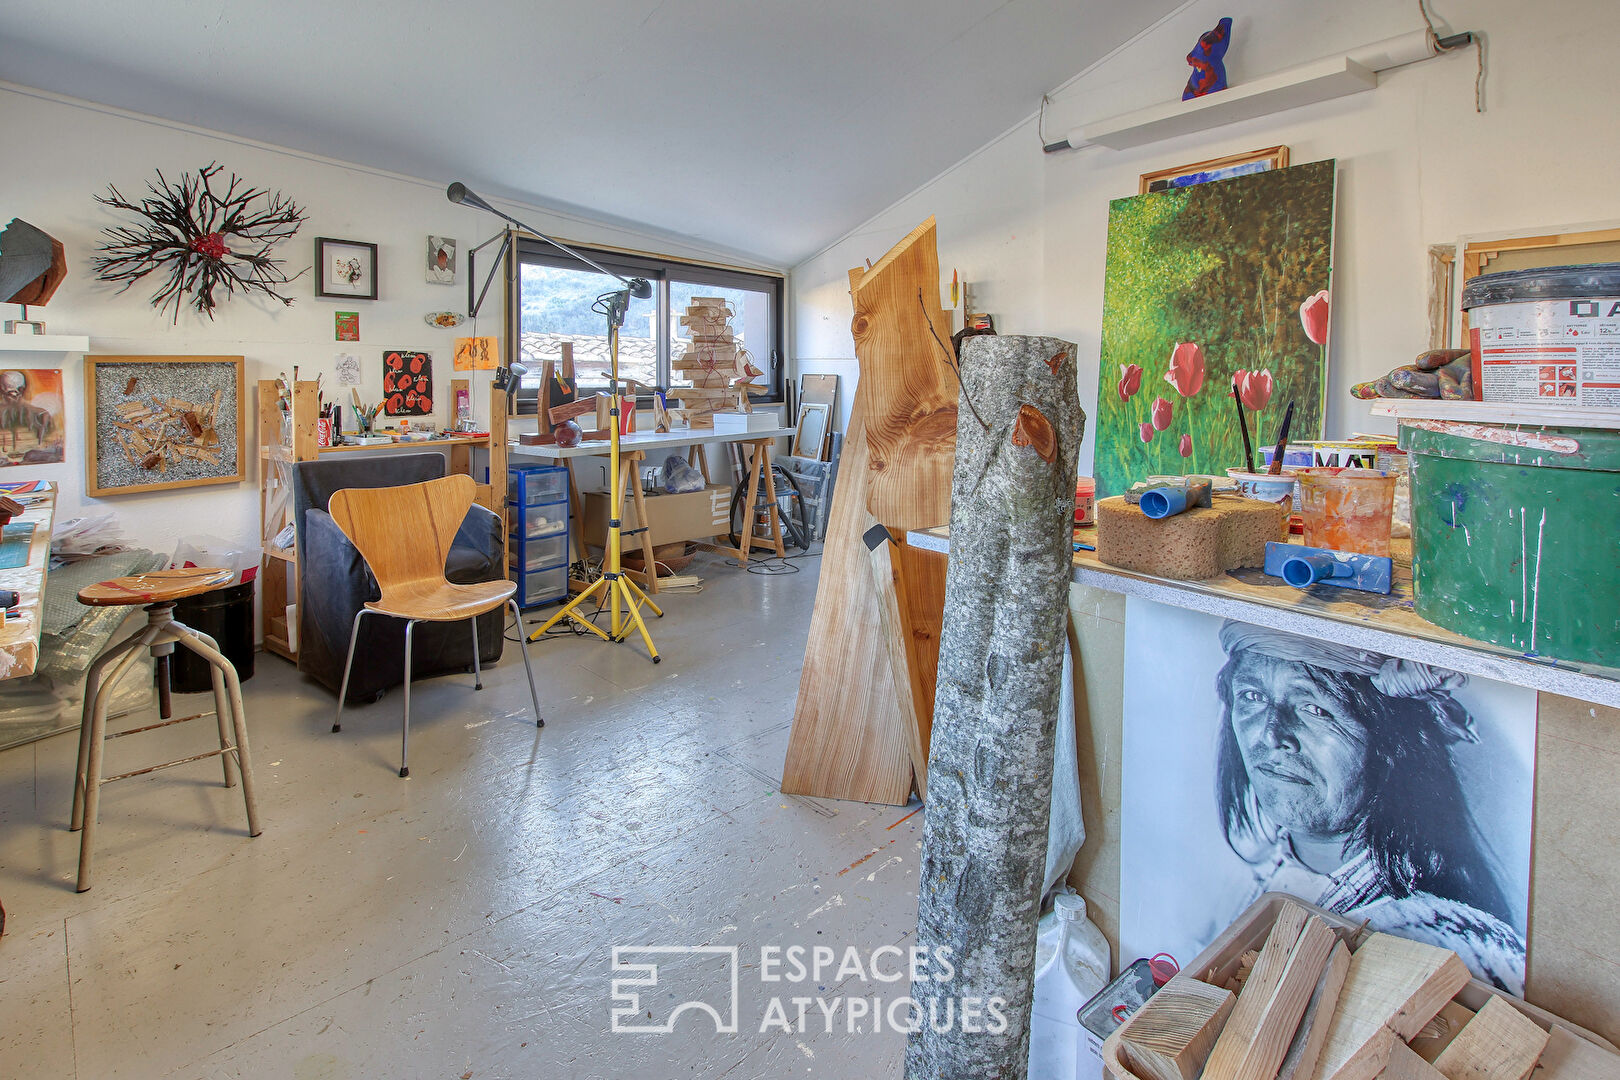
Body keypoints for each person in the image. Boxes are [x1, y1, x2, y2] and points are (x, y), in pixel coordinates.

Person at [1213, 621, 1525, 993]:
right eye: (1252, 697)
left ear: (1390, 746)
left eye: (1313, 707)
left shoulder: (1440, 943)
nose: (1270, 734)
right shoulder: (1245, 889)